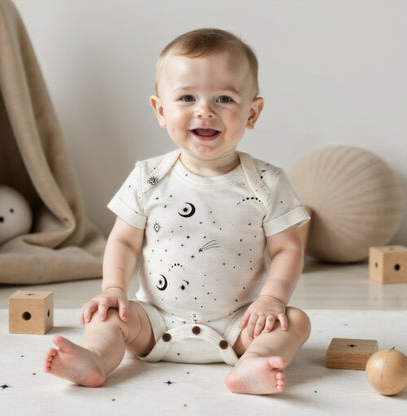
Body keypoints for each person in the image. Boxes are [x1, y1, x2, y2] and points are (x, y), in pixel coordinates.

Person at [45, 28, 311, 395]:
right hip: (153, 322)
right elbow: (123, 241)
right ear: (160, 110)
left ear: (252, 112)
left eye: (224, 98)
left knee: (294, 321)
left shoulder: (267, 182)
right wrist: (113, 289)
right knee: (107, 316)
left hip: (238, 325)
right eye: (187, 97)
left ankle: (253, 363)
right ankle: (94, 358)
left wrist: (272, 299)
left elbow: (287, 249)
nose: (205, 110)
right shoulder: (149, 177)